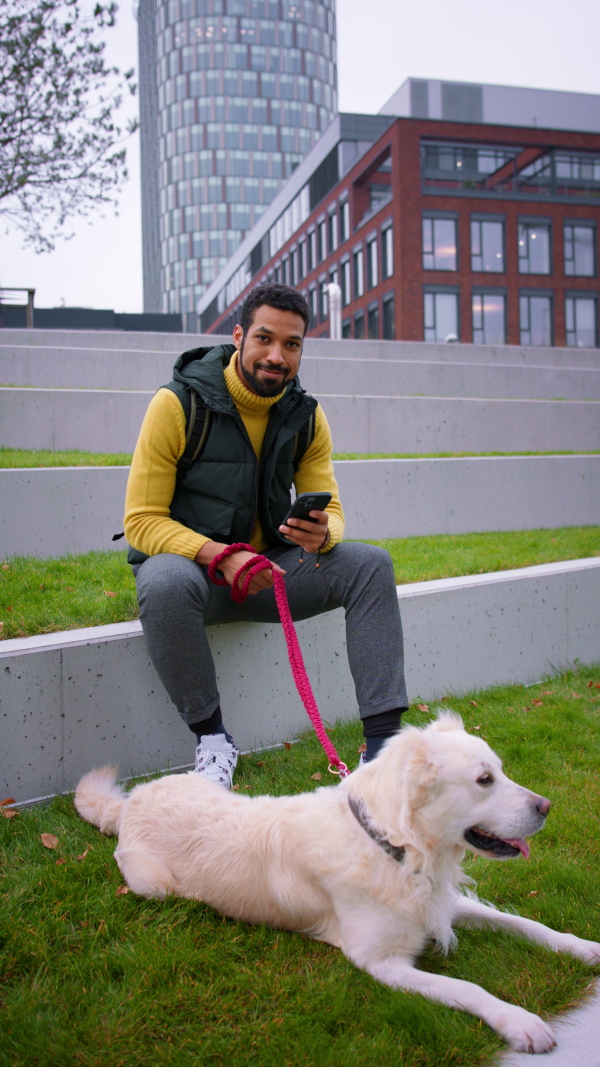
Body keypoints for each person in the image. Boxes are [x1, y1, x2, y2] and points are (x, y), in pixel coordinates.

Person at [124, 283, 408, 787]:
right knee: (162, 579)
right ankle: (212, 741)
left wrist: (323, 535)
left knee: (370, 565)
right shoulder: (176, 405)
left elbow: (333, 507)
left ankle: (383, 752)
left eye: (292, 344)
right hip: (198, 577)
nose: (277, 356)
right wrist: (219, 555)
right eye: (264, 338)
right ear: (238, 337)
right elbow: (141, 522)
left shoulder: (306, 416)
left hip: (274, 575)